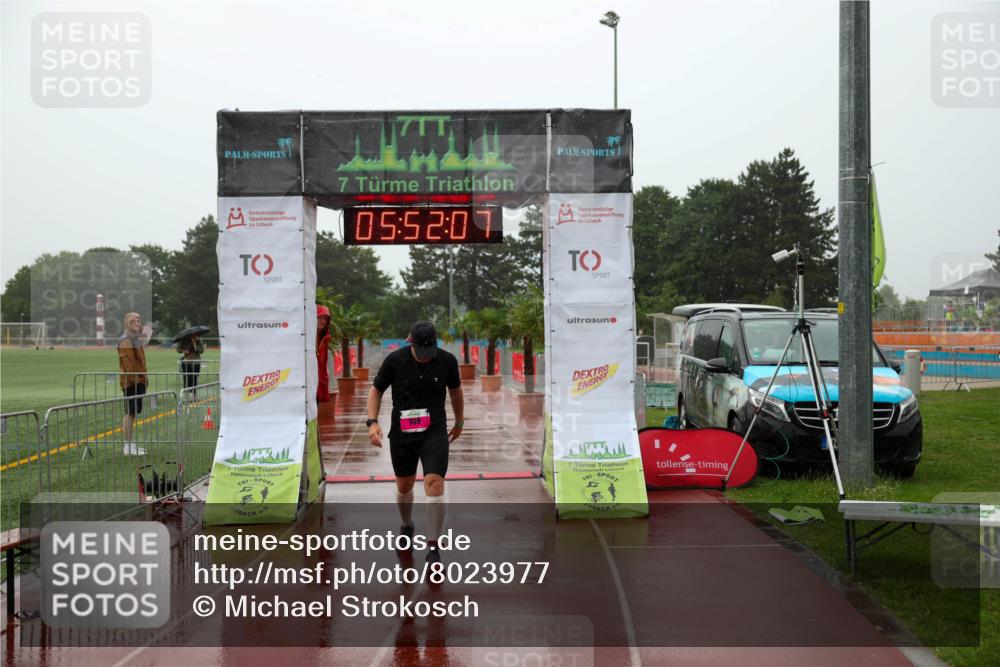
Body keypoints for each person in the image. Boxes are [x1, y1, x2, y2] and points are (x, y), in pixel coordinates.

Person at [367, 321, 463, 564]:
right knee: (404, 485)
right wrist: (372, 422)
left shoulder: (447, 361)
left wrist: (459, 421)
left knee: (434, 483)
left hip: (435, 431)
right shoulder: (395, 361)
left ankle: (433, 546)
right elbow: (376, 390)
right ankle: (407, 525)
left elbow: (456, 392)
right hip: (403, 433)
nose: (424, 358)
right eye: (420, 353)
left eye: (428, 353)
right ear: (411, 342)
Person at [118, 312, 153, 456]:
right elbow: (129, 365)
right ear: (126, 323)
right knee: (129, 413)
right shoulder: (127, 340)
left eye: (139, 319)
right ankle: (127, 446)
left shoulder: (134, 339)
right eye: (133, 320)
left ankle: (130, 444)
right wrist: (138, 380)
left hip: (137, 381)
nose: (137, 321)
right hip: (132, 382)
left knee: (132, 413)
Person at [316, 305, 332, 402]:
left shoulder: (324, 337)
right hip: (309, 382)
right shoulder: (305, 335)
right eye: (320, 317)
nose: (323, 321)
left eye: (325, 318)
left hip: (319, 380)